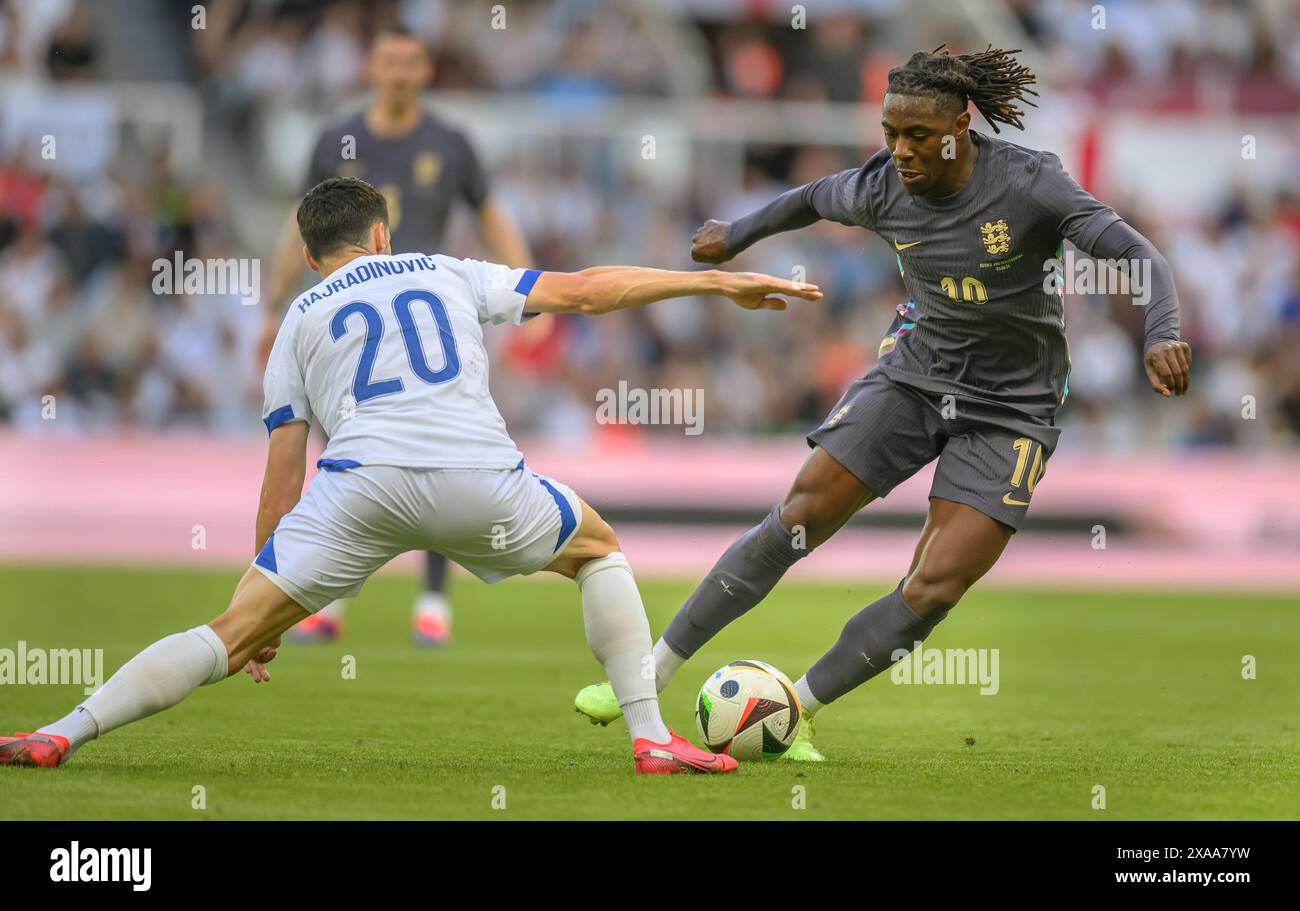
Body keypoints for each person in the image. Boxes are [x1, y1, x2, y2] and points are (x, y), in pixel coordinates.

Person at [0, 176, 821, 774]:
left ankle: (63, 731)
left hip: (360, 488)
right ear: (382, 235)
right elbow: (586, 292)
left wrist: (268, 603)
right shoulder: (447, 270)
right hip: (479, 478)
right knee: (598, 550)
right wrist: (714, 280)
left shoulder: (297, 320)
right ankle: (649, 737)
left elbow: (282, 474)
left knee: (225, 631)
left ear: (313, 253)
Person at [574, 46, 1192, 761]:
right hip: (915, 376)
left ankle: (791, 709)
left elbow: (1139, 254)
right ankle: (648, 675)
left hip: (1013, 409)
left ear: (962, 124)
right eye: (891, 132)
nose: (900, 150)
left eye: (918, 135)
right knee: (800, 516)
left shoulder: (1030, 185)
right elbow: (808, 198)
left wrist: (1163, 331)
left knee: (934, 585)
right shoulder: (881, 186)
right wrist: (735, 234)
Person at [259, 25, 532, 647]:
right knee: (344, 447)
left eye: (411, 62)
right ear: (372, 68)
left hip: (434, 317)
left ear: (426, 71)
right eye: (389, 61)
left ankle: (433, 598)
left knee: (442, 443)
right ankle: (323, 598)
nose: (400, 72)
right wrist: (272, 304)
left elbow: (491, 217)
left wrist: (525, 298)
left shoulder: (452, 143)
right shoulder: (334, 140)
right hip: (351, 324)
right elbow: (296, 225)